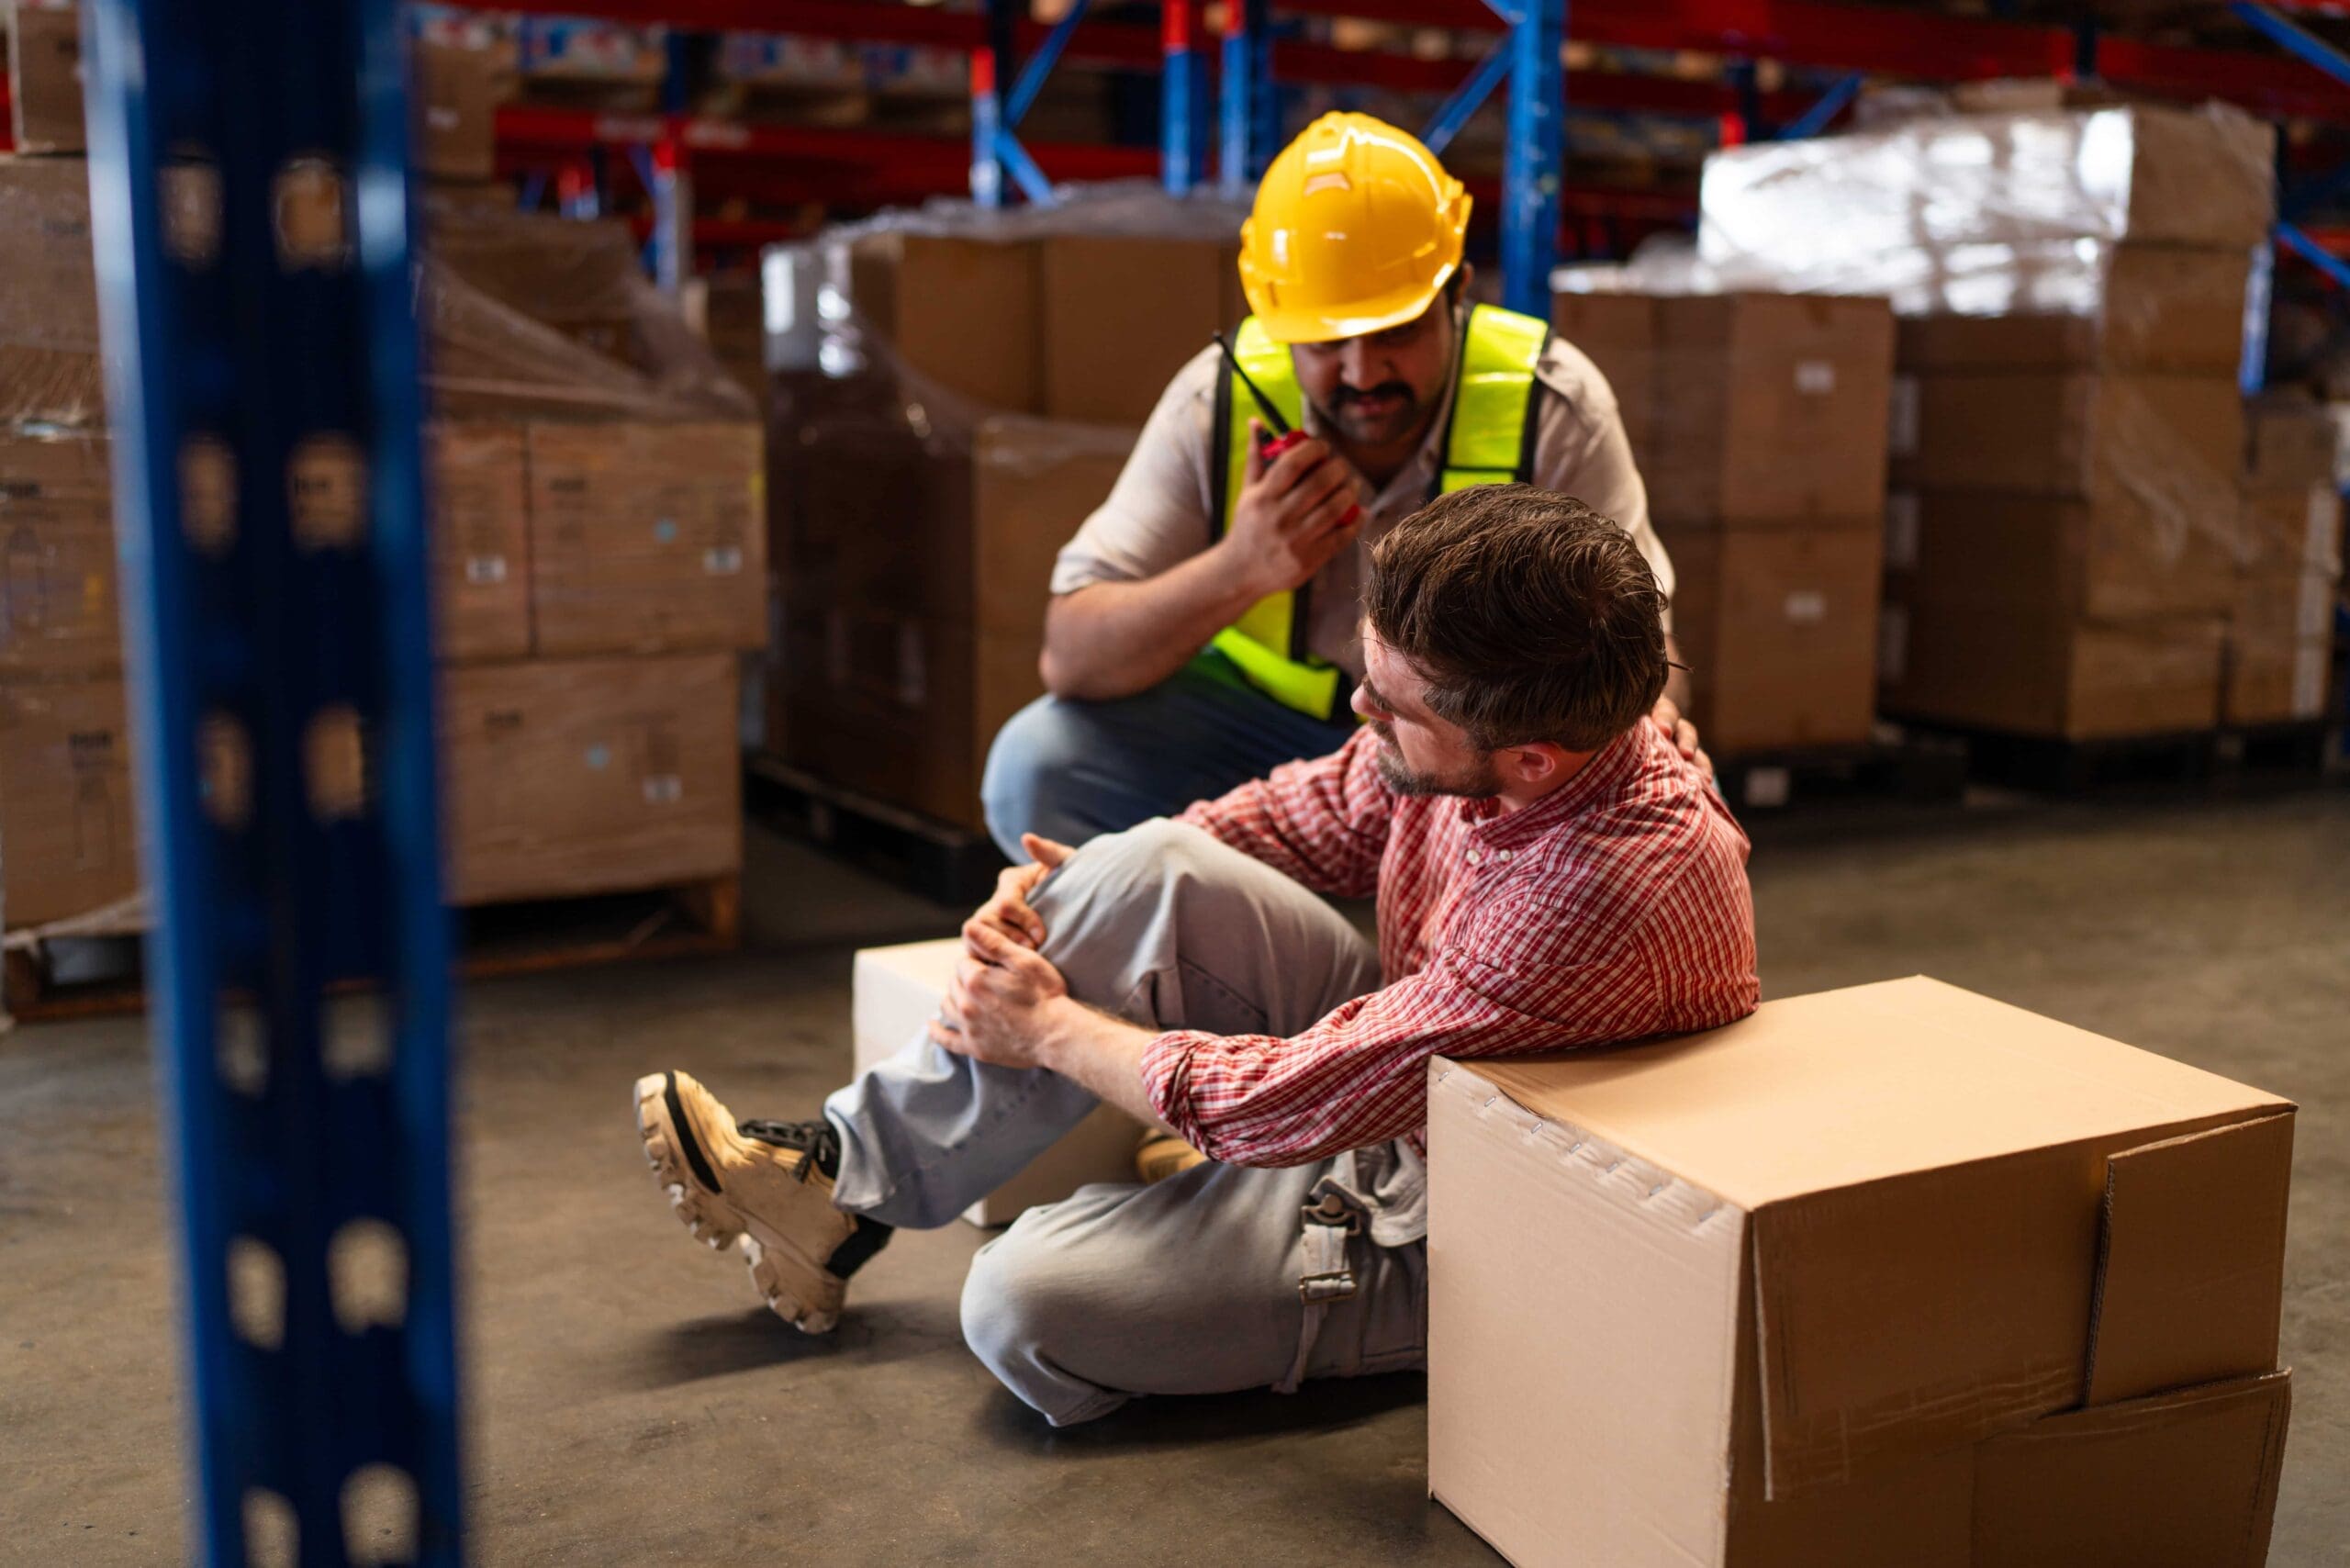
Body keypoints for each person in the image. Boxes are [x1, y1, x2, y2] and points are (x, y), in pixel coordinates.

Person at [633, 486, 1757, 1427]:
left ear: (1533, 759)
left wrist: (1047, 1029)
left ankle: (1327, 1302)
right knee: (1155, 863)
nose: (1359, 705)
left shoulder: (1596, 894)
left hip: (1476, 1206)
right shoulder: (1527, 730)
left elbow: (1281, 1103)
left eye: (1394, 703)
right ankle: (837, 1187)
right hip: (1421, 1066)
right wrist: (1067, 884)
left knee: (1019, 1305)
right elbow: (1307, 808)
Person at [979, 111, 1695, 860]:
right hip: (1261, 734)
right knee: (1041, 767)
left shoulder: (1552, 405)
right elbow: (1073, 658)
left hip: (1470, 756)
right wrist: (1240, 567)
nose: (1362, 374)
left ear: (1457, 290)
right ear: (1277, 321)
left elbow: (1643, 648)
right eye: (1326, 342)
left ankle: (1446, 925)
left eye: (1396, 332)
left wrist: (1653, 740)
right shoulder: (1218, 401)